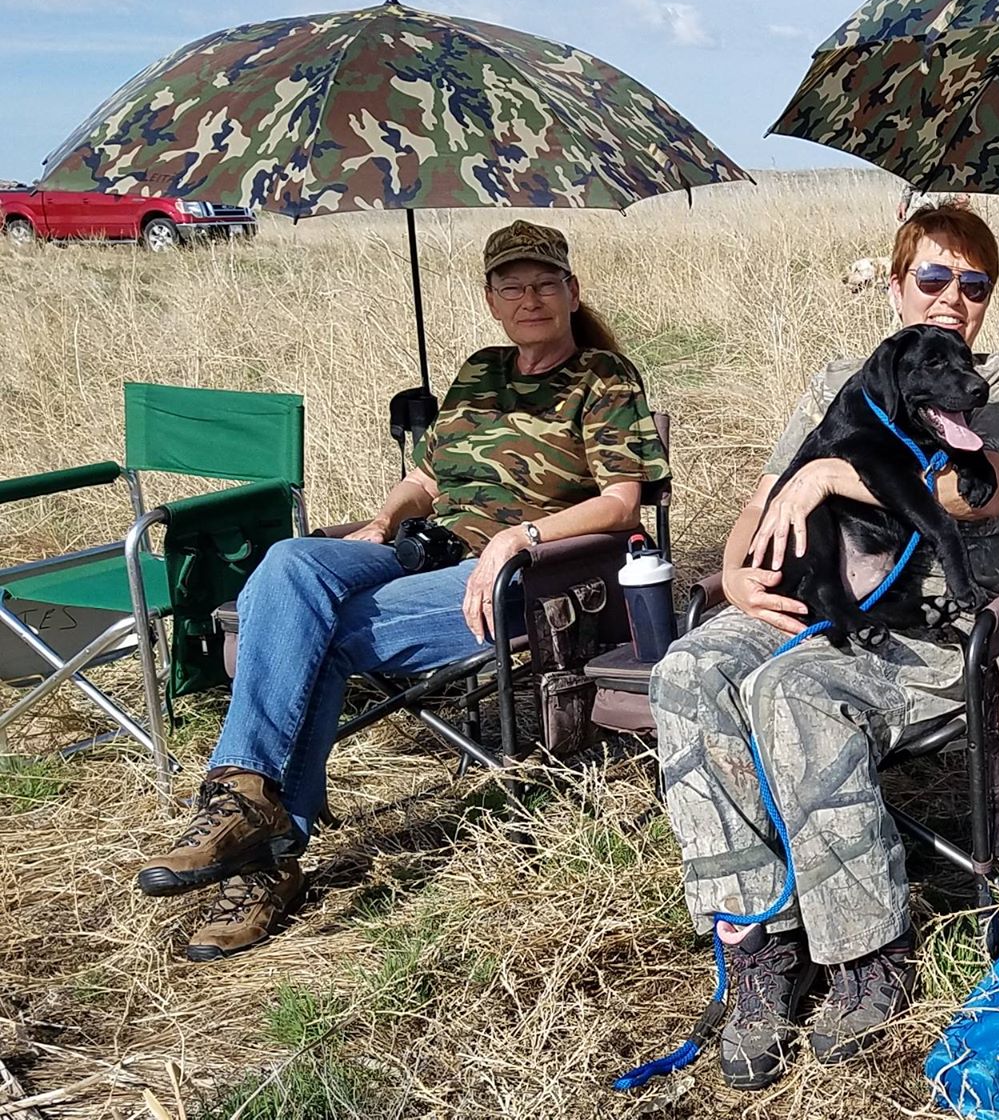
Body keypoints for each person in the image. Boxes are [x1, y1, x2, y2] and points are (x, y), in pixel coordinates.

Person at [133, 220, 668, 962]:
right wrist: (384, 517)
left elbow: (619, 503)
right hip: (428, 549)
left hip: (528, 574)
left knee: (317, 632)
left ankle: (269, 855)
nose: (531, 298)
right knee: (290, 565)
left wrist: (521, 537)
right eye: (512, 285)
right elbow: (427, 480)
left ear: (572, 292)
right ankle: (248, 799)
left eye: (546, 283)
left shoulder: (604, 378)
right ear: (491, 300)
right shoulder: (480, 371)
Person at [646, 205, 999, 1091]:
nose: (952, 300)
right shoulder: (843, 376)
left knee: (791, 692)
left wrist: (838, 473)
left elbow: (981, 494)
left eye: (973, 285)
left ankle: (867, 952)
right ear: (899, 282)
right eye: (934, 279)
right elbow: (766, 495)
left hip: (939, 628)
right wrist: (732, 571)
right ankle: (759, 940)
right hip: (810, 590)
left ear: (988, 300)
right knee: (688, 672)